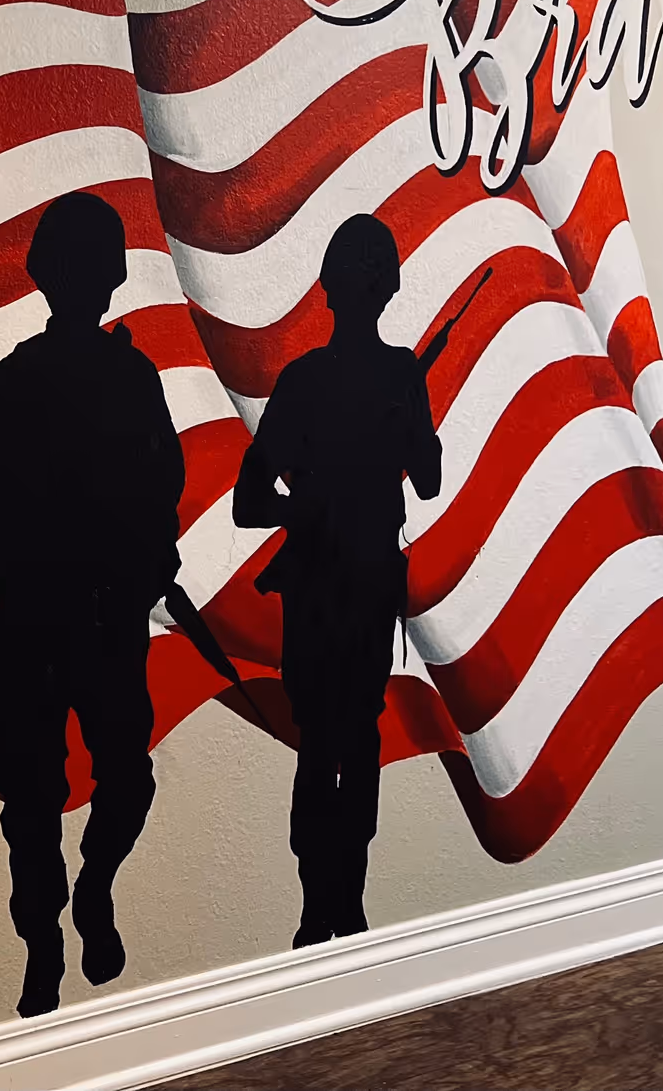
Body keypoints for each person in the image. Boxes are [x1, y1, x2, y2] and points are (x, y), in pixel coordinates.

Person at [0, 191, 186, 1018]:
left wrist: (147, 555)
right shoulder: (10, 389)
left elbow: (164, 490)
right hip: (36, 623)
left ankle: (94, 888)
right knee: (31, 802)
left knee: (124, 780)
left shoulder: (129, 380)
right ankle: (43, 942)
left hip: (106, 619)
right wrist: (50, 548)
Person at [234, 212, 442, 948]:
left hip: (360, 587)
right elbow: (251, 501)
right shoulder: (329, 380)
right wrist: (312, 509)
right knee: (336, 742)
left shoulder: (376, 377)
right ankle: (325, 906)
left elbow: (427, 479)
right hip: (327, 587)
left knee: (341, 741)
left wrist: (407, 426)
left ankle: (335, 906)